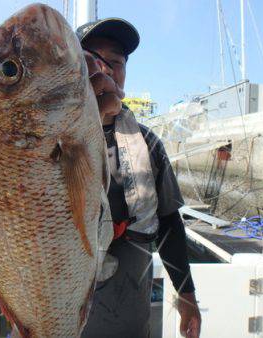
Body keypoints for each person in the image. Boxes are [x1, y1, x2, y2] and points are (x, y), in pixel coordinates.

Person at [76, 18, 202, 338]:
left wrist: (186, 295)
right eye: (92, 60)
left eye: (116, 62)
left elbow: (169, 223)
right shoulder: (50, 142)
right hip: (61, 321)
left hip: (130, 322)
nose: (105, 69)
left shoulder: (148, 144)